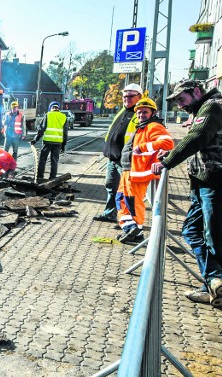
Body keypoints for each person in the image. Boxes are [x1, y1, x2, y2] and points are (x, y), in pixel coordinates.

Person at [151, 79, 222, 306]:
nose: (180, 105)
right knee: (192, 230)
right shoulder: (204, 108)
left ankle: (215, 283)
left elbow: (198, 137)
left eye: (182, 99)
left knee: (213, 235)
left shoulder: (212, 106)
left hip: (215, 181)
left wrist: (168, 161)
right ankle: (213, 282)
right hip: (202, 181)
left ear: (197, 92)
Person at [115, 98, 174, 243]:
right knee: (121, 199)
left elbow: (168, 143)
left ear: (153, 113)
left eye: (145, 112)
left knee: (133, 202)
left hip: (138, 173)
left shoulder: (153, 126)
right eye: (139, 112)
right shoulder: (142, 126)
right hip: (129, 171)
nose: (141, 114)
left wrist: (143, 148)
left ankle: (137, 232)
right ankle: (129, 228)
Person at [93, 83, 143, 223]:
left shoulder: (139, 113)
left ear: (139, 97)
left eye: (131, 96)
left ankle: (129, 221)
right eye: (124, 96)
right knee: (111, 186)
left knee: (126, 191)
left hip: (126, 161)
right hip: (113, 158)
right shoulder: (123, 111)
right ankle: (110, 213)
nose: (127, 98)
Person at [31, 101, 67, 182]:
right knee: (54, 161)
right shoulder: (63, 117)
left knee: (42, 159)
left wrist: (35, 139)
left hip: (47, 142)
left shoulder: (48, 115)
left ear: (51, 108)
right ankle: (52, 178)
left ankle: (40, 176)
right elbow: (65, 133)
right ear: (58, 108)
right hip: (58, 142)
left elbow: (41, 129)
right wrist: (64, 145)